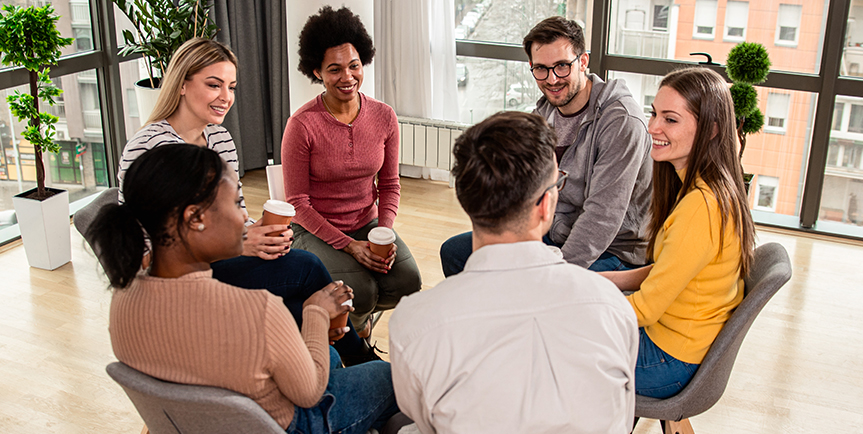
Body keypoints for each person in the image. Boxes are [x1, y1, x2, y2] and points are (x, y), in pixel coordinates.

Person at [92, 144, 399, 434]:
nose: (244, 217)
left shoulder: (122, 296)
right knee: (392, 377)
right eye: (237, 203)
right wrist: (316, 313)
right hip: (290, 423)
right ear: (195, 218)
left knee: (330, 357)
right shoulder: (258, 309)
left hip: (205, 422)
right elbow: (308, 394)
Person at [118, 37, 375, 364]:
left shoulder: (219, 138)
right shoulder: (150, 147)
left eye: (231, 86)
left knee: (298, 306)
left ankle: (337, 375)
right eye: (214, 85)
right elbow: (140, 247)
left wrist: (262, 234)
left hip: (218, 261)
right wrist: (238, 243)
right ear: (181, 84)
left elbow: (236, 214)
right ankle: (362, 364)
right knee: (308, 267)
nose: (226, 97)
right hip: (174, 282)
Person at [389, 112, 638, 433]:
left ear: (464, 200)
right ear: (547, 204)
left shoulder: (414, 323)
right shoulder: (613, 307)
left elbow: (426, 420)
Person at [440, 16, 652, 275]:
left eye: (562, 66)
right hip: (552, 229)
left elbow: (603, 216)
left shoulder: (620, 121)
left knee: (525, 283)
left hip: (612, 248)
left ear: (582, 61)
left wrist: (554, 274)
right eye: (541, 68)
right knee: (456, 253)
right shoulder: (544, 112)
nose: (552, 79)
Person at [599, 67, 756, 399]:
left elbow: (645, 310)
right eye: (654, 113)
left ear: (711, 130)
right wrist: (603, 283)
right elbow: (670, 271)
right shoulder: (709, 188)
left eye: (670, 119)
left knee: (549, 343)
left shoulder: (699, 207)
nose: (652, 127)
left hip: (667, 359)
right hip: (682, 343)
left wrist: (575, 305)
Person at [282, 6, 422, 339]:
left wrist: (382, 235)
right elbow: (297, 203)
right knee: (361, 290)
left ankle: (356, 321)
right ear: (317, 71)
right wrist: (350, 246)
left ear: (364, 63)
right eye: (334, 69)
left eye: (354, 66)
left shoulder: (384, 117)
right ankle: (356, 333)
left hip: (366, 222)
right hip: (315, 228)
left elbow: (389, 185)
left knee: (408, 282)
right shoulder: (302, 125)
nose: (347, 77)